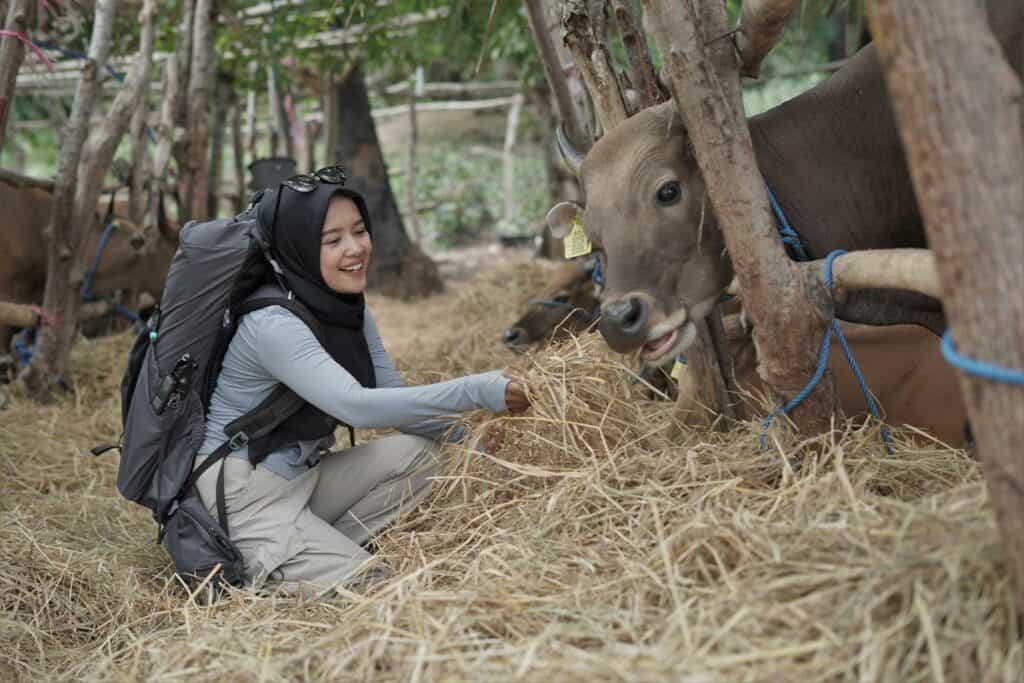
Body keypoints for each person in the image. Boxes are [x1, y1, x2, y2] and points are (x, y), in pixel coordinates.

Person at [193, 168, 530, 595]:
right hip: (244, 498)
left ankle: (311, 551)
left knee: (422, 456)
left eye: (359, 231)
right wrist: (478, 391)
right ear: (294, 249)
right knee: (377, 587)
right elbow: (356, 406)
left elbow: (389, 394)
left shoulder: (343, 303)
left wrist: (469, 440)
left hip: (302, 479)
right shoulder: (272, 324)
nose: (355, 249)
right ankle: (258, 563)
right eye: (332, 241)